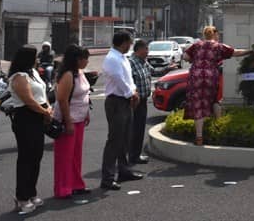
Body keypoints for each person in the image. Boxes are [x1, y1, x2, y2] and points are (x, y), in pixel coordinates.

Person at [183, 26, 250, 146]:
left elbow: (186, 57)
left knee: (199, 105)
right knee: (215, 100)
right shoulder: (218, 46)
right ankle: (218, 129)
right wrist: (250, 51)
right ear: (215, 34)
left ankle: (199, 138)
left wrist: (195, 59)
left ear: (204, 35)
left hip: (196, 77)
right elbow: (235, 52)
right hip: (210, 77)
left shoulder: (197, 45)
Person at [8, 45, 52, 213]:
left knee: (36, 156)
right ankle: (22, 197)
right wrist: (44, 111)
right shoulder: (19, 77)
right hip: (26, 118)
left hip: (39, 116)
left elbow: (42, 94)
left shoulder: (33, 73)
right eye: (34, 57)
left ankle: (31, 192)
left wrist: (47, 108)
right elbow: (29, 100)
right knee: (26, 158)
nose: (37, 59)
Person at [100, 31, 143, 191]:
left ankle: (123, 170)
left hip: (125, 100)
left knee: (125, 138)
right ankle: (107, 178)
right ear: (123, 42)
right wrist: (131, 93)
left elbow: (129, 79)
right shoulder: (112, 58)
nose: (130, 46)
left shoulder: (122, 57)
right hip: (116, 102)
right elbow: (118, 79)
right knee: (114, 140)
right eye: (129, 43)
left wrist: (133, 91)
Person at [52, 45, 91, 199]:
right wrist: (68, 122)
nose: (87, 61)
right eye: (84, 59)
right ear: (76, 59)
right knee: (64, 156)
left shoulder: (79, 73)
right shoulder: (67, 75)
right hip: (68, 120)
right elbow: (62, 100)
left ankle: (76, 184)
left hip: (80, 119)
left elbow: (84, 94)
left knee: (75, 155)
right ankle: (63, 188)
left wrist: (86, 113)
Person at [128, 39, 175, 164]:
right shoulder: (131, 63)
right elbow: (128, 82)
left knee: (139, 129)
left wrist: (167, 68)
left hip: (143, 101)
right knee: (133, 129)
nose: (148, 52)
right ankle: (131, 155)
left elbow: (154, 72)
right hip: (134, 101)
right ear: (138, 50)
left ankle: (136, 155)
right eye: (146, 49)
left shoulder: (144, 62)